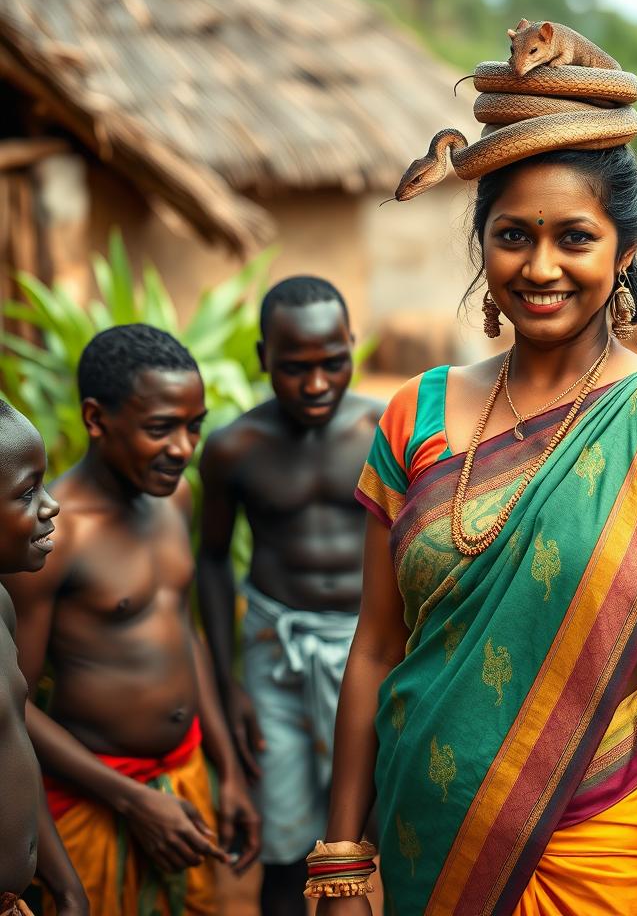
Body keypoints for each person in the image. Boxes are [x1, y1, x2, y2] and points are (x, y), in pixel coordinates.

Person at [314, 39, 637, 916]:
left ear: (624, 250)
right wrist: (340, 853)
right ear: (482, 245)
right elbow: (374, 645)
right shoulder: (416, 414)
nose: (542, 267)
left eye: (575, 238)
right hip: (423, 835)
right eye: (513, 236)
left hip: (608, 842)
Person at [1, 325, 260, 916]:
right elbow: (15, 706)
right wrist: (133, 802)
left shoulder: (176, 500)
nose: (183, 448)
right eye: (159, 428)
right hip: (98, 796)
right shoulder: (50, 539)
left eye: (194, 426)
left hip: (185, 779)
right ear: (96, 419)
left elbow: (182, 630)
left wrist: (227, 772)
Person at [196, 276, 382, 916]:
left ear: (352, 345)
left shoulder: (382, 430)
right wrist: (230, 683)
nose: (315, 384)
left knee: (381, 823)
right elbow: (212, 561)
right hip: (276, 652)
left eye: (333, 362)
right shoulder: (233, 449)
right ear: (262, 360)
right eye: (294, 368)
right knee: (285, 840)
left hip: (372, 647)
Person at [0, 401, 86, 916]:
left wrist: (64, 884)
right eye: (28, 492)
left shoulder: (1, 604)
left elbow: (14, 743)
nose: (51, 506)